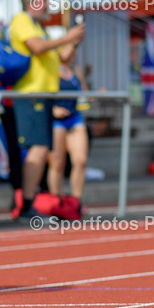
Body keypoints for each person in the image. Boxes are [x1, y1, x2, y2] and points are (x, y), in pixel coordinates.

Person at [9, 0, 85, 217]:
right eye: (43, 1)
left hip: (43, 96)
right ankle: (27, 202)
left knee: (42, 149)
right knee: (38, 149)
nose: (47, 5)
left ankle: (32, 200)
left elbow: (59, 57)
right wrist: (66, 38)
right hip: (32, 94)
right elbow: (38, 48)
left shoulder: (38, 26)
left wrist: (73, 41)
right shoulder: (22, 20)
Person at [47, 52, 90, 202]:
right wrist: (52, 109)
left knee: (80, 160)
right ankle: (56, 201)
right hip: (56, 121)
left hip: (74, 117)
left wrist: (97, 95)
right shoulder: (49, 68)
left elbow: (85, 95)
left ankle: (75, 202)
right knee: (57, 163)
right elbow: (42, 94)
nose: (71, 53)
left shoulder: (75, 70)